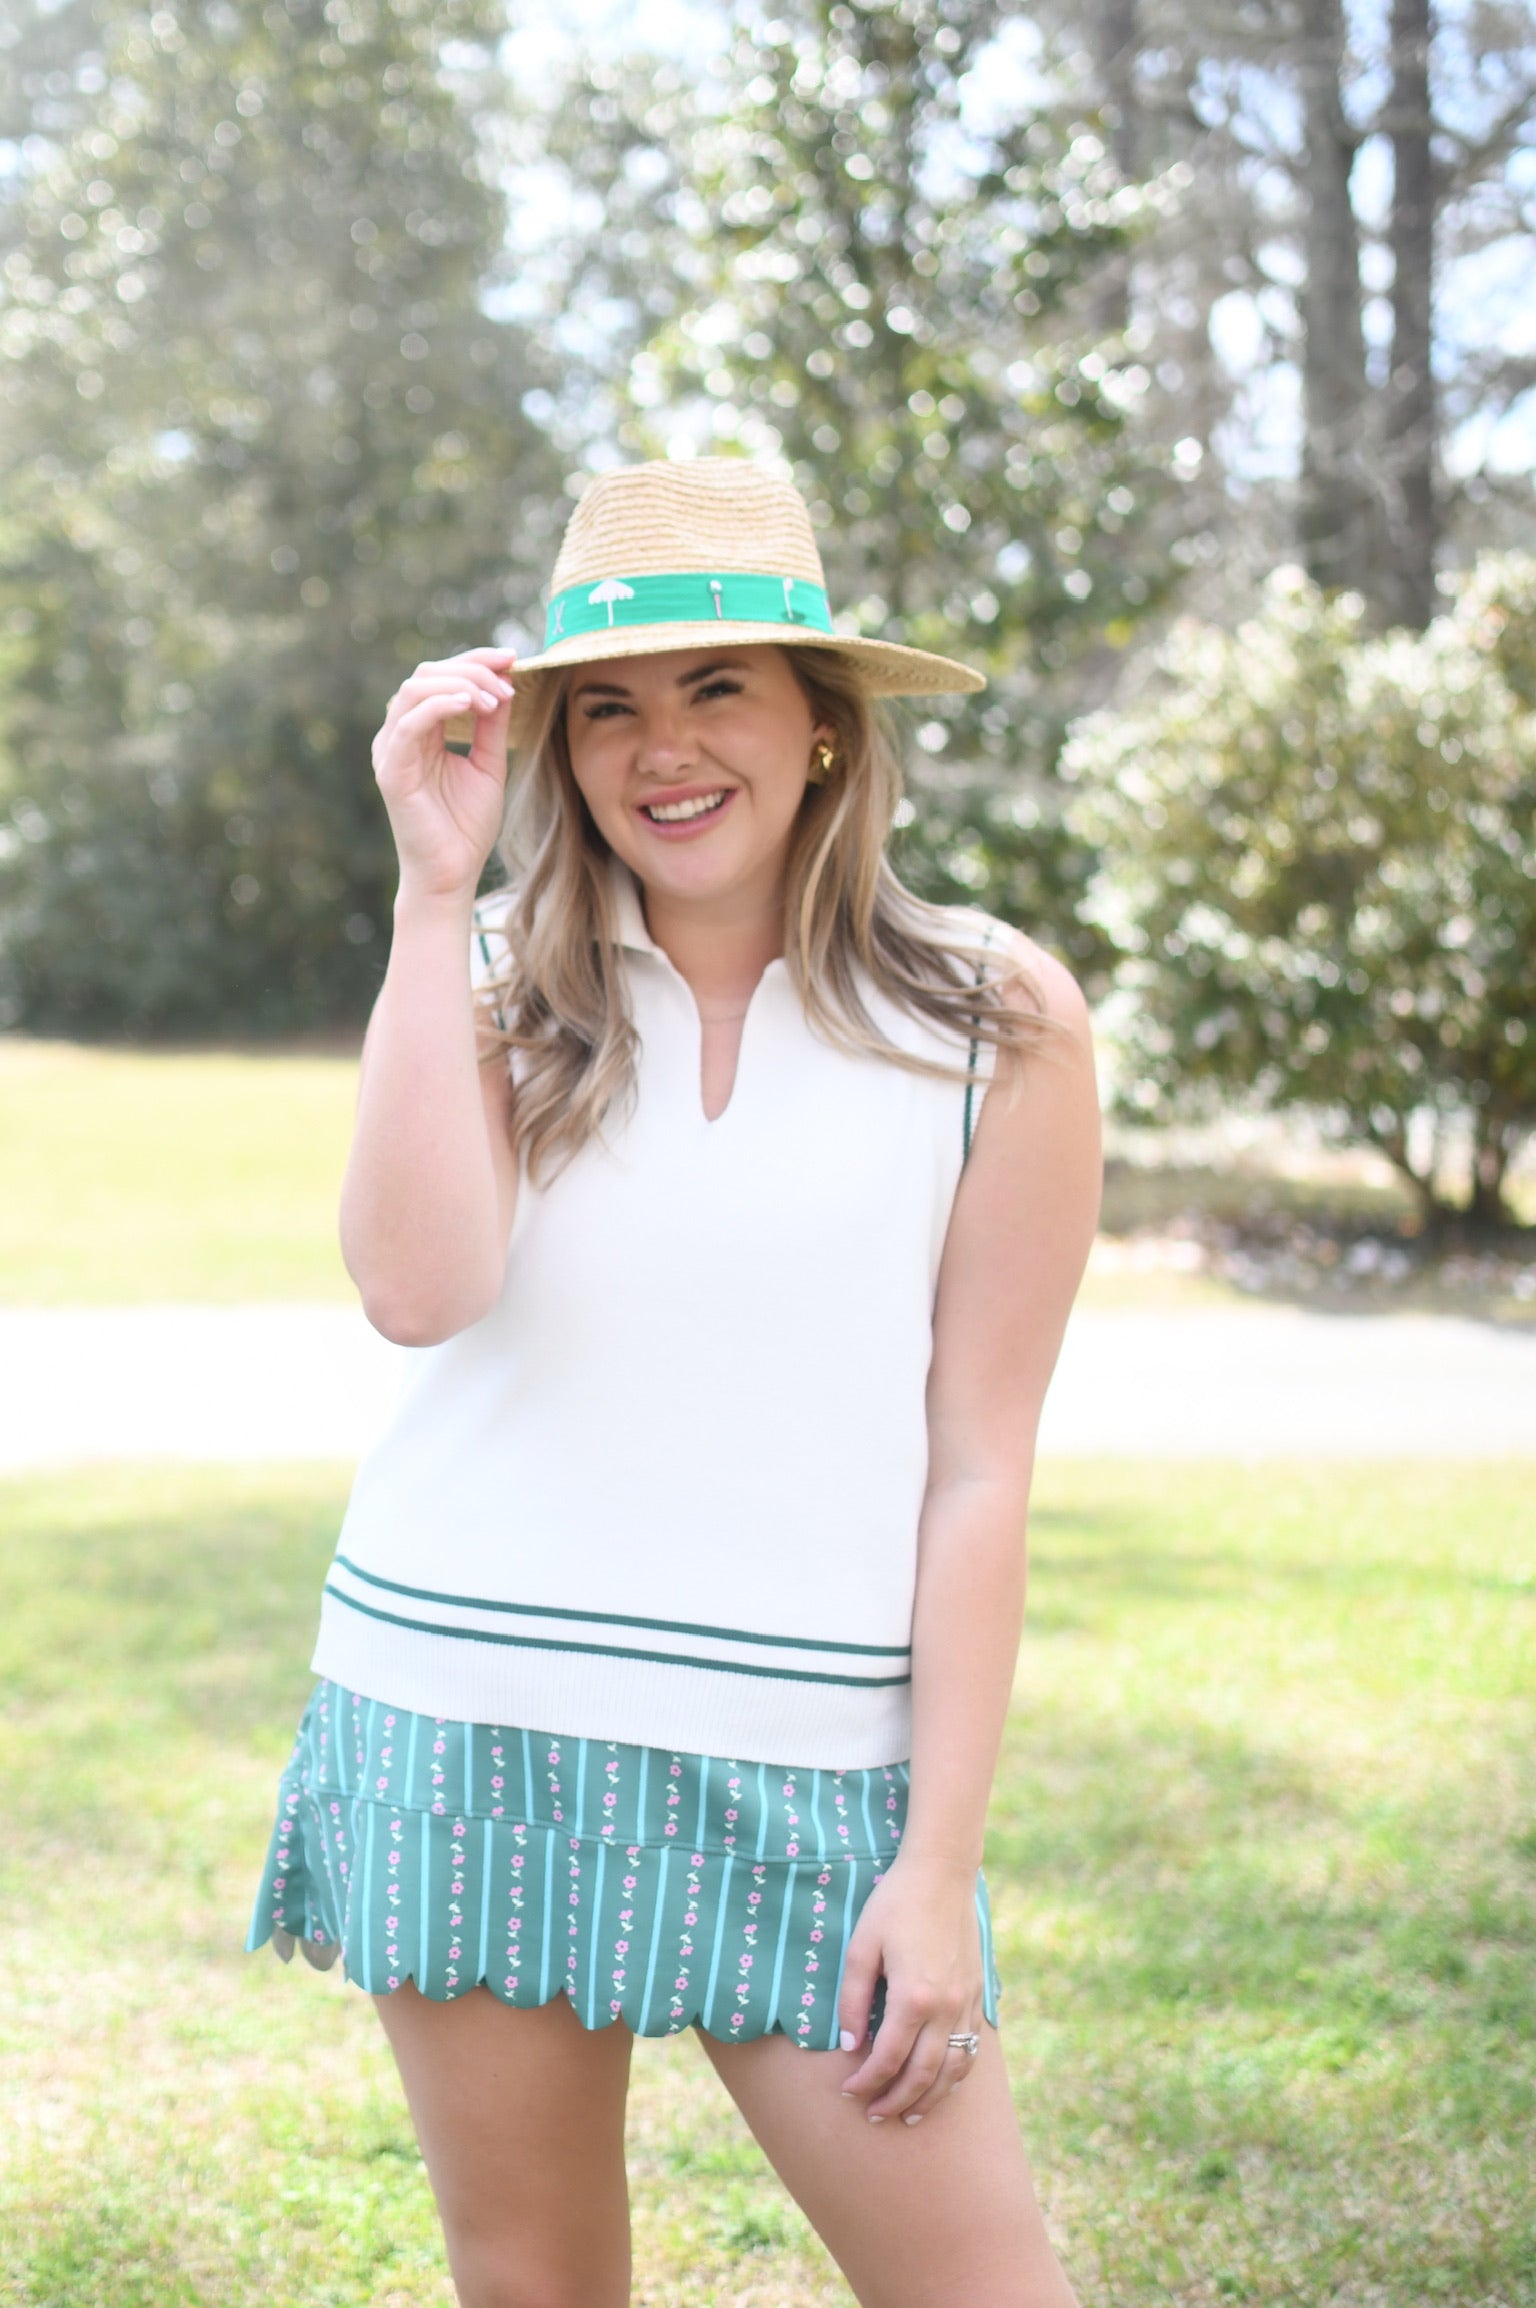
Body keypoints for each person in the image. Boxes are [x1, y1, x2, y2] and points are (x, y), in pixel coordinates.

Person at [247, 457, 1101, 2308]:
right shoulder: (481, 983)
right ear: (556, 749)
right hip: (470, 1722)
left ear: (820, 726)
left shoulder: (994, 1017)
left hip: (811, 1772)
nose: (664, 748)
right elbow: (415, 1290)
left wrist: (936, 1864)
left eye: (720, 686)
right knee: (539, 2282)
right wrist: (426, 894)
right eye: (609, 708)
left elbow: (978, 1470)